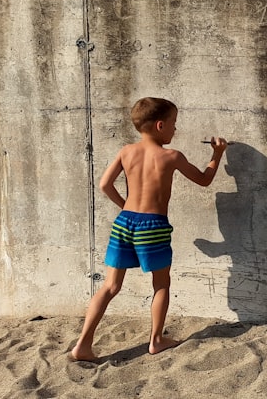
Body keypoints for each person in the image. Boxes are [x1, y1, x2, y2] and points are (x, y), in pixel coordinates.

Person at [70, 97, 227, 362]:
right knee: (161, 284)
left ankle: (83, 345)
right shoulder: (171, 156)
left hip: (125, 222)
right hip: (153, 226)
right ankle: (156, 340)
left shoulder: (126, 151)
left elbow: (105, 185)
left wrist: (126, 207)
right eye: (174, 124)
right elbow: (203, 180)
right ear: (160, 125)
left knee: (110, 286)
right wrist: (217, 154)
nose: (175, 129)